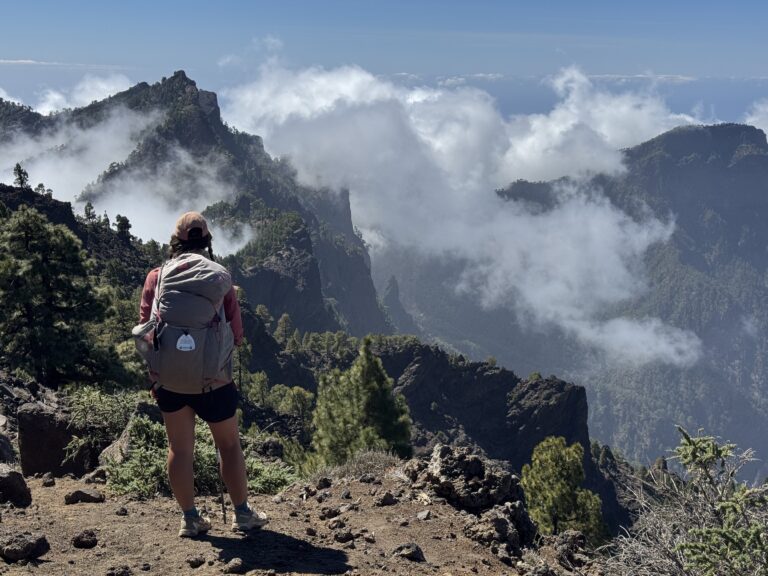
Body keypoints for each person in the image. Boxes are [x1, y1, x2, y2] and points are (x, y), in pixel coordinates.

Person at [138, 211, 268, 538]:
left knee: (179, 449)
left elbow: (145, 325)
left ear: (175, 242)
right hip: (215, 381)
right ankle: (242, 514)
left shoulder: (156, 277)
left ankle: (190, 519)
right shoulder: (220, 278)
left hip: (170, 380)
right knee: (229, 445)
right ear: (207, 241)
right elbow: (237, 334)